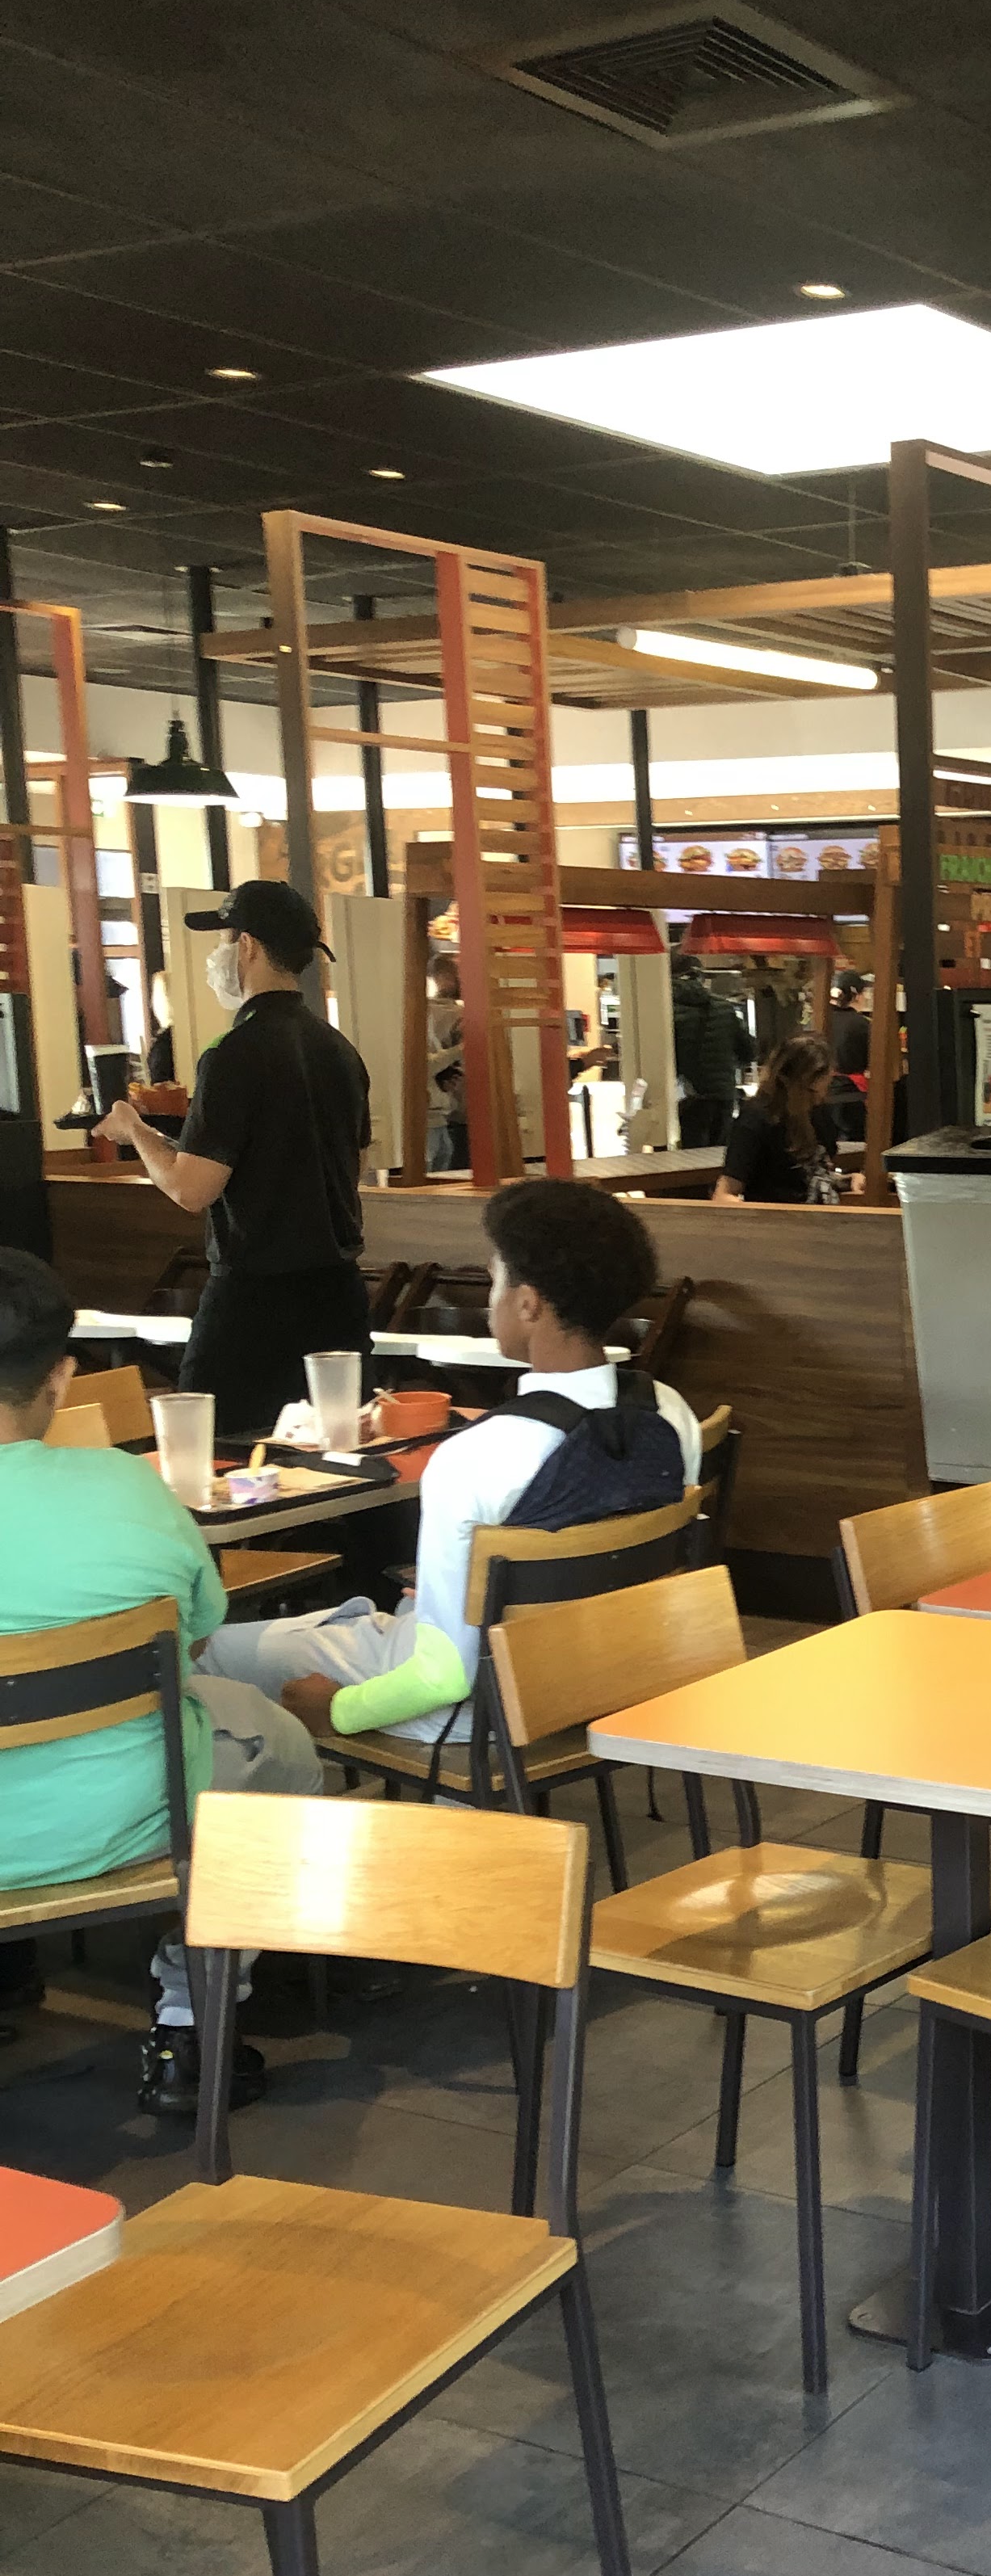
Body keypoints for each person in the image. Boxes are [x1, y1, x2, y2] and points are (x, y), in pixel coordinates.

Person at [199, 1183, 702, 1761]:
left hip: (477, 1708)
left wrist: (337, 1710)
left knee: (209, 1653)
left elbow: (444, 1676)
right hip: (609, 1680)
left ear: (529, 1304)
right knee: (388, 1616)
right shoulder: (670, 1414)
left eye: (495, 1281)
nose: (492, 1301)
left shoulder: (477, 1456)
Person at [0, 1246, 324, 2113]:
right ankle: (192, 2022)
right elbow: (200, 1636)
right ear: (61, 1378)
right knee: (281, 1745)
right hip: (131, 1819)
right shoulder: (128, 1487)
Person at [96, 878, 372, 1438]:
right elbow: (354, 1165)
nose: (217, 955)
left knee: (214, 1450)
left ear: (246, 945)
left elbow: (190, 1189)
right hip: (339, 1295)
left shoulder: (233, 1054)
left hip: (255, 1300)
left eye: (223, 940)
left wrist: (136, 1130)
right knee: (338, 1455)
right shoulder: (339, 1050)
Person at [715, 1033, 845, 1204]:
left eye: (826, 1089)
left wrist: (847, 1181)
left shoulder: (818, 1112)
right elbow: (724, 1195)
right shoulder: (756, 1119)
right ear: (785, 1081)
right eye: (811, 1092)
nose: (820, 1099)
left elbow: (814, 1176)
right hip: (778, 1216)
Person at [670, 948, 752, 1149]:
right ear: (700, 976)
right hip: (722, 1095)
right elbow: (749, 1051)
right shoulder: (724, 1007)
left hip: (688, 1096)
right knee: (718, 1154)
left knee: (690, 1156)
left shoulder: (665, 1009)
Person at [426, 952, 468, 1172]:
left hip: (442, 1114)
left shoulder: (421, 1013)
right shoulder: (461, 1016)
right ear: (443, 977)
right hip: (458, 1116)